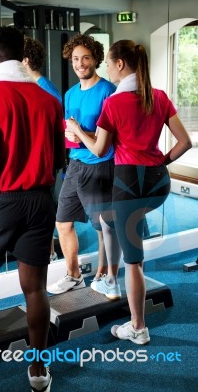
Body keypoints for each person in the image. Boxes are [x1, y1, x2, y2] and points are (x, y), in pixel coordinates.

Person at [66, 39, 192, 345]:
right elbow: (185, 142)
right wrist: (159, 163)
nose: (107, 68)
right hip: (158, 184)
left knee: (133, 262)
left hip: (128, 185)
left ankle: (138, 327)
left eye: (108, 62)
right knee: (113, 221)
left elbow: (99, 148)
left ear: (120, 64)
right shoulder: (159, 97)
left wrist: (78, 129)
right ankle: (110, 270)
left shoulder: (114, 102)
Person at [0, 26, 65, 392]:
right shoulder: (49, 100)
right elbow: (58, 157)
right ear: (23, 55)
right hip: (40, 199)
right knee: (35, 289)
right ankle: (38, 370)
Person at [47, 33, 122, 298]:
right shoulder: (69, 94)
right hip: (75, 165)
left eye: (85, 58)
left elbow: (108, 138)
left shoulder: (108, 91)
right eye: (76, 59)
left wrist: (79, 131)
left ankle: (104, 276)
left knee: (103, 226)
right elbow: (71, 131)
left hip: (100, 165)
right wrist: (71, 135)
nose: (80, 63)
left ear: (96, 60)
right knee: (62, 222)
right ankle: (74, 275)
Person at [22, 35, 63, 262]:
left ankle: (49, 253)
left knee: (43, 210)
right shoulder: (33, 86)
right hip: (33, 158)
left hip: (43, 159)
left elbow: (54, 128)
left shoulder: (44, 89)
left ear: (25, 61)